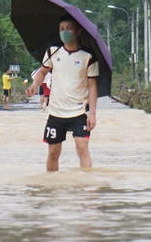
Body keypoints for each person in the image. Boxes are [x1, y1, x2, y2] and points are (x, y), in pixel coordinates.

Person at [26, 16, 99, 171]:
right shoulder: (53, 52)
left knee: (82, 147)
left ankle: (87, 184)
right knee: (53, 152)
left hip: (78, 111)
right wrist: (34, 85)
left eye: (69, 28)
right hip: (56, 112)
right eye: (61, 29)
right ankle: (52, 186)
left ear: (78, 31)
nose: (65, 32)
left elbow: (92, 86)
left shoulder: (89, 56)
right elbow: (42, 72)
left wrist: (92, 114)